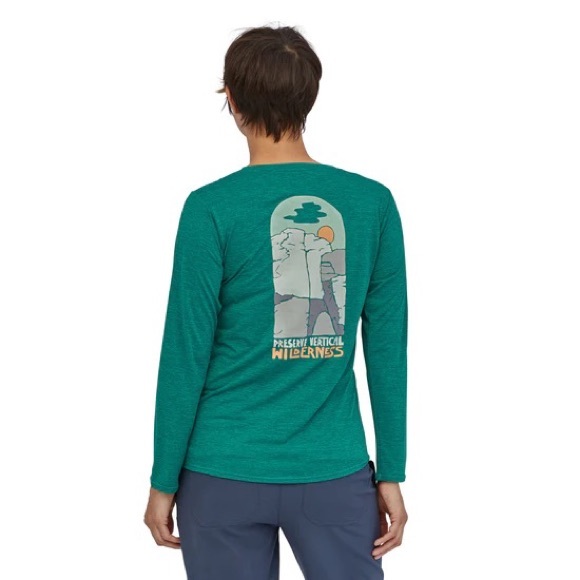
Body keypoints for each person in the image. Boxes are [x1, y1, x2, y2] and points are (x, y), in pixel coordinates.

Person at [143, 23, 409, 580]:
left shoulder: (210, 208)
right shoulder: (372, 204)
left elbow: (185, 354)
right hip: (332, 472)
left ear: (233, 100)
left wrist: (163, 479)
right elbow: (388, 350)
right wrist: (391, 471)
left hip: (221, 473)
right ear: (309, 97)